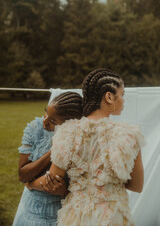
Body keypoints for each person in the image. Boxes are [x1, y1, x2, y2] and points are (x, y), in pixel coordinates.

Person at [28, 68, 145, 226]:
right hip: (112, 217)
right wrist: (108, 181)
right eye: (122, 95)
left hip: (76, 216)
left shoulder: (67, 132)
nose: (123, 100)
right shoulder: (129, 136)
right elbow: (137, 186)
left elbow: (53, 180)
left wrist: (30, 183)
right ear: (109, 97)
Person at [12, 91, 83, 226]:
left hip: (65, 214)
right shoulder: (36, 128)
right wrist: (53, 151)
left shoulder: (80, 142)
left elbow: (83, 188)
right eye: (46, 113)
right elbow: (23, 175)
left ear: (69, 126)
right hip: (33, 211)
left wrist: (64, 190)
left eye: (52, 121)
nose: (45, 121)